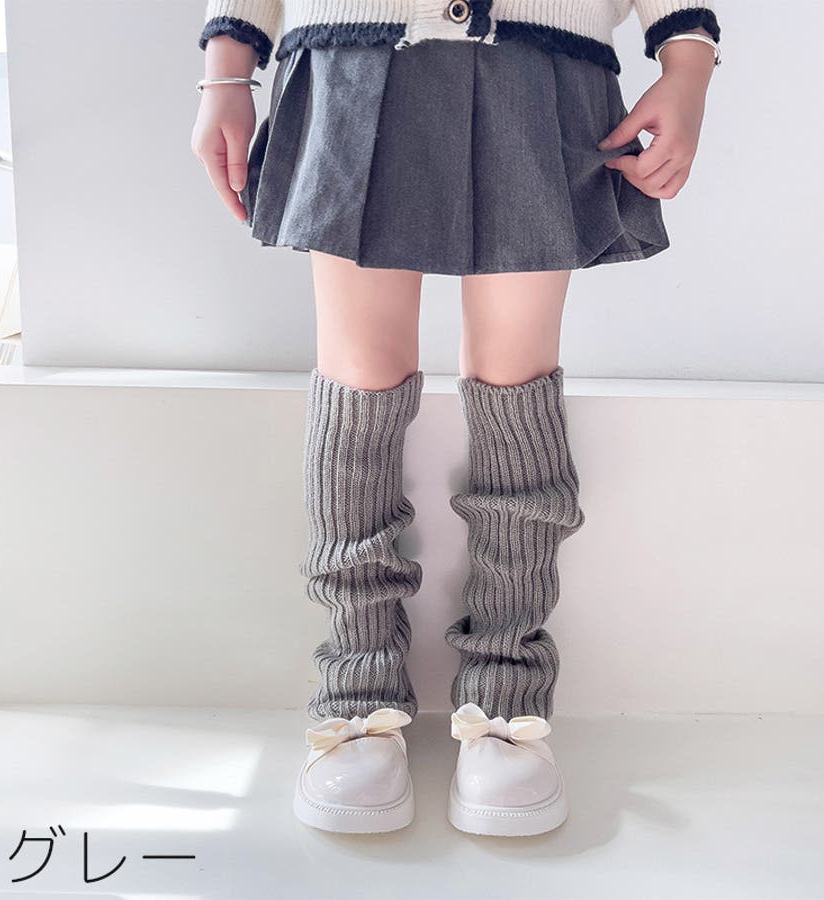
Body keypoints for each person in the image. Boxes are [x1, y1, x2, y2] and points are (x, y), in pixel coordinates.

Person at [191, 0, 722, 837]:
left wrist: (687, 61)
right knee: (360, 374)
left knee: (517, 375)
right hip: (354, 48)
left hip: (543, 54)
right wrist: (227, 67)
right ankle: (357, 688)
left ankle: (507, 693)